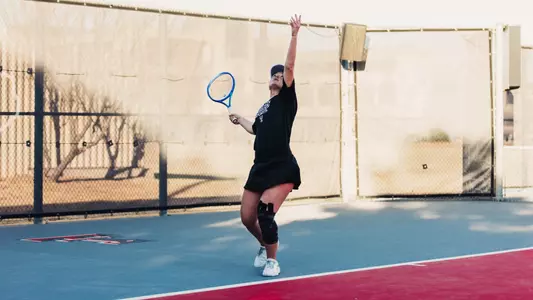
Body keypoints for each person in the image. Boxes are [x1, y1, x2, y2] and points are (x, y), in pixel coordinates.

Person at [228, 14, 302, 277]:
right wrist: (241, 121)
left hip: (282, 167)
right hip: (260, 167)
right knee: (247, 218)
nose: (278, 76)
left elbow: (290, 65)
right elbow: (256, 129)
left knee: (265, 213)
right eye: (274, 75)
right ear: (268, 81)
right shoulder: (265, 108)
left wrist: (294, 35)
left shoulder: (286, 101)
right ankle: (264, 245)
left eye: (281, 75)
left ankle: (273, 261)